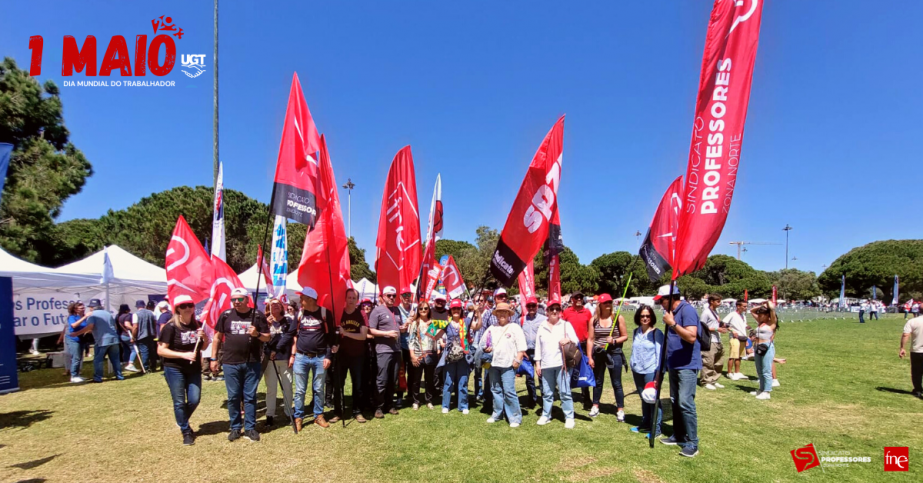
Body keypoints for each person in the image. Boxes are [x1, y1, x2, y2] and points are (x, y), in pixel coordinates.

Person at [212, 287, 270, 442]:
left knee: (250, 396)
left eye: (239, 299)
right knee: (233, 397)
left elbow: (267, 337)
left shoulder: (257, 315)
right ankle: (235, 427)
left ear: (247, 299)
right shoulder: (226, 315)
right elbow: (217, 338)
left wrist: (257, 334)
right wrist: (214, 358)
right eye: (233, 299)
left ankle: (250, 428)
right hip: (230, 362)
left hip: (252, 362)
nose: (236, 302)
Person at [656, 284, 702, 458]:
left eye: (662, 300)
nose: (660, 303)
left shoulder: (687, 310)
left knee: (685, 402)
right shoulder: (670, 313)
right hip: (674, 363)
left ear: (671, 298)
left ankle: (692, 442)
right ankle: (678, 435)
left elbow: (691, 337)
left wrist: (673, 324)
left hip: (687, 364)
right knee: (676, 401)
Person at [157, 295, 206, 445]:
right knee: (179, 401)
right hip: (174, 368)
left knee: (194, 399)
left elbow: (202, 347)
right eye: (183, 306)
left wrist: (205, 338)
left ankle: (181, 419)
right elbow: (161, 350)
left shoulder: (197, 325)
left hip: (193, 368)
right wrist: (183, 355)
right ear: (177, 308)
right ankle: (186, 431)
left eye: (190, 305)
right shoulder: (170, 327)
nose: (188, 308)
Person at [291, 287, 338, 430]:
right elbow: (291, 333)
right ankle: (298, 416)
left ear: (311, 299)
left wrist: (329, 356)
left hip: (320, 357)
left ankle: (318, 415)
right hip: (301, 357)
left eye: (302, 298)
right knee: (300, 390)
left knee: (318, 388)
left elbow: (331, 337)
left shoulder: (325, 313)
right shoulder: (300, 313)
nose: (300, 301)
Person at [534, 296, 579, 428]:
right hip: (546, 364)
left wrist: (568, 340)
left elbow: (576, 340)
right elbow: (538, 346)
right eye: (551, 309)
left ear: (560, 311)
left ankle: (569, 417)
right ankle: (546, 414)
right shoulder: (542, 326)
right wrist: (538, 364)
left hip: (562, 364)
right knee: (547, 393)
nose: (554, 311)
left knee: (564, 392)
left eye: (557, 309)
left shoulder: (566, 325)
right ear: (546, 311)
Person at [480, 302, 527, 427]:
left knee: (509, 391)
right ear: (496, 314)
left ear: (509, 314)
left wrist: (517, 359)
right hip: (494, 364)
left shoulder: (514, 327)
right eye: (499, 312)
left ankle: (515, 417)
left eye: (504, 312)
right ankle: (497, 414)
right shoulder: (491, 328)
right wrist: (486, 349)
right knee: (495, 390)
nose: (501, 314)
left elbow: (521, 346)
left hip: (508, 365)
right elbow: (483, 344)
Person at [587, 293, 628, 421]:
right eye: (605, 303)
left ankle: (620, 409)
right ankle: (595, 405)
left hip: (614, 353)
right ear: (600, 305)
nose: (608, 305)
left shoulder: (617, 318)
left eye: (610, 302)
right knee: (598, 381)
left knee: (616, 382)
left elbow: (625, 336)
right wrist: (590, 357)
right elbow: (590, 339)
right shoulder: (593, 320)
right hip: (599, 353)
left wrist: (614, 341)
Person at [629, 305, 664, 437]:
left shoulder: (657, 333)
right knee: (644, 398)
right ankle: (645, 423)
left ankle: (656, 428)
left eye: (647, 316)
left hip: (651, 370)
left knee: (652, 399)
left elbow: (660, 354)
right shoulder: (635, 332)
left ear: (652, 317)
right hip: (637, 370)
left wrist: (658, 374)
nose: (645, 318)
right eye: (642, 316)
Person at [368, 286, 402, 419]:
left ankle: (389, 404)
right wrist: (387, 333)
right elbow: (371, 330)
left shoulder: (397, 310)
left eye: (394, 295)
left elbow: (398, 328)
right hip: (383, 351)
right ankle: (378, 407)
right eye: (389, 295)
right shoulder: (377, 311)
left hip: (396, 350)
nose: (392, 298)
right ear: (383, 296)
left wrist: (403, 328)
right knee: (382, 379)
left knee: (393, 380)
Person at [337, 288, 369, 422]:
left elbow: (363, 336)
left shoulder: (361, 314)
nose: (351, 300)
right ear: (345, 298)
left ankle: (357, 411)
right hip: (341, 355)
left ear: (357, 300)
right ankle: (338, 412)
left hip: (357, 355)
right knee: (338, 384)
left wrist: (346, 333)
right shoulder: (340, 313)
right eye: (349, 297)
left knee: (358, 385)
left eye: (353, 298)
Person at [262, 298, 296, 428]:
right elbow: (261, 339)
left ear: (282, 307)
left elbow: (293, 339)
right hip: (270, 360)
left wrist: (293, 355)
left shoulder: (288, 321)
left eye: (278, 304)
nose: (275, 306)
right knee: (271, 388)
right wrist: (267, 325)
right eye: (272, 304)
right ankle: (270, 414)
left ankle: (289, 412)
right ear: (268, 308)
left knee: (287, 386)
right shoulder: (265, 321)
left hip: (285, 358)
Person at [74, 299, 124, 383]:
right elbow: (115, 326)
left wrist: (77, 333)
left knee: (98, 359)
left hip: (102, 340)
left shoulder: (92, 315)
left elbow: (90, 327)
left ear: (92, 307)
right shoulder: (108, 313)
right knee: (115, 359)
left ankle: (98, 377)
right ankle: (119, 375)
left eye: (90, 307)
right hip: (114, 338)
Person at [562, 291, 593, 410]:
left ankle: (586, 399)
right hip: (570, 345)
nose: (579, 299)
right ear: (572, 300)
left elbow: (591, 329)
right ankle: (566, 397)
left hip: (584, 345)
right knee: (568, 370)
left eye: (581, 297)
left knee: (583, 371)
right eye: (576, 297)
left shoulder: (587, 312)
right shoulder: (566, 312)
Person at [407, 300, 440, 410]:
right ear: (418, 310)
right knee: (416, 380)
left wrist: (438, 349)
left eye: (425, 308)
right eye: (421, 309)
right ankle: (416, 400)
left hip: (431, 355)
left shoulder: (433, 323)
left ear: (429, 310)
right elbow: (411, 340)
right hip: (418, 355)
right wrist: (412, 355)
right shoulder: (415, 323)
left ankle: (428, 400)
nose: (423, 310)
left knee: (429, 379)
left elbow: (436, 339)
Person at [442, 299, 472, 414]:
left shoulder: (466, 321)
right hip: (450, 356)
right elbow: (433, 333)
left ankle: (463, 405)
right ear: (450, 310)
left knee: (463, 381)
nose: (456, 310)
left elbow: (478, 326)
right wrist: (432, 325)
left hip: (463, 356)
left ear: (461, 310)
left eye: (458, 308)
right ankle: (446, 405)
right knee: (448, 381)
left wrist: (478, 313)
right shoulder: (446, 322)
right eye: (454, 308)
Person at [520, 296, 546, 409]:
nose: (531, 308)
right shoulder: (522, 320)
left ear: (537, 306)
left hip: (540, 351)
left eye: (533, 305)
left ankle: (545, 400)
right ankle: (532, 399)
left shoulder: (543, 319)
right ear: (526, 307)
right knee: (529, 377)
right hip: (527, 352)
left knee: (542, 377)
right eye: (529, 306)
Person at [749, 302, 778, 400]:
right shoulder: (760, 322)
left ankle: (767, 391)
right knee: (759, 370)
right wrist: (761, 306)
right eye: (759, 315)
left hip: (766, 347)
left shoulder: (771, 323)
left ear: (767, 315)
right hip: (757, 347)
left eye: (762, 315)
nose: (759, 316)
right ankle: (761, 389)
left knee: (766, 370)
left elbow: (772, 310)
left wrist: (768, 305)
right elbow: (752, 310)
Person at [698, 294, 727, 390]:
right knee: (708, 362)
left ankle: (713, 380)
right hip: (710, 340)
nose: (720, 303)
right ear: (711, 301)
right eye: (718, 301)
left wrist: (723, 327)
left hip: (718, 339)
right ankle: (706, 381)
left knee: (719, 361)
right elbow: (702, 327)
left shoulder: (715, 312)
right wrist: (716, 329)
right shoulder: (706, 312)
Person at [396, 289, 415, 408]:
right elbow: (398, 328)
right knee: (401, 372)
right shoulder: (396, 310)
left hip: (413, 345)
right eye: (405, 295)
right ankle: (399, 396)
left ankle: (411, 394)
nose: (407, 297)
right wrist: (406, 323)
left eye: (409, 295)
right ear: (401, 297)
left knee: (413, 371)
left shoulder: (415, 309)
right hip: (401, 345)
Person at [63, 301, 91, 383]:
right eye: (81, 308)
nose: (83, 309)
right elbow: (74, 325)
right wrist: (85, 317)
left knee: (79, 357)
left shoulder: (82, 316)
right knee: (76, 357)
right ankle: (73, 376)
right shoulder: (72, 317)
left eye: (84, 308)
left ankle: (77, 375)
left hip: (81, 339)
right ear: (76, 309)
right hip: (73, 339)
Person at [129, 300, 159, 373]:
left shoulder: (136, 314)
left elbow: (135, 326)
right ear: (144, 305)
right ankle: (153, 366)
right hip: (151, 334)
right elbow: (155, 324)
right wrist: (154, 332)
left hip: (142, 335)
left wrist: (133, 337)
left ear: (137, 306)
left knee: (144, 352)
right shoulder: (152, 313)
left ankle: (145, 368)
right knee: (152, 351)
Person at [723, 300, 749, 381]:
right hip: (734, 338)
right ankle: (729, 373)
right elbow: (723, 323)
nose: (746, 308)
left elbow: (744, 325)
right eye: (744, 306)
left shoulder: (743, 315)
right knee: (732, 356)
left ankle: (737, 372)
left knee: (739, 356)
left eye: (746, 306)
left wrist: (750, 329)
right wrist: (732, 331)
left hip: (743, 337)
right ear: (738, 306)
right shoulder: (732, 314)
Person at [899, 312, 923, 399]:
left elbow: (906, 334)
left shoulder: (913, 321)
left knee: (916, 371)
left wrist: (902, 348)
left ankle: (918, 390)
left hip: (917, 350)